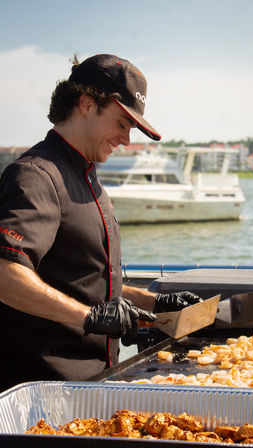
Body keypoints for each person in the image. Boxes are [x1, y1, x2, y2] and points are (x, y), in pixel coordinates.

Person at [0, 53, 201, 392]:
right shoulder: (36, 175)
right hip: (42, 389)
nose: (126, 140)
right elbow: (6, 274)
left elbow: (82, 281)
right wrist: (89, 318)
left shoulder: (88, 178)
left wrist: (154, 302)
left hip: (93, 381)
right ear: (87, 103)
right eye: (123, 124)